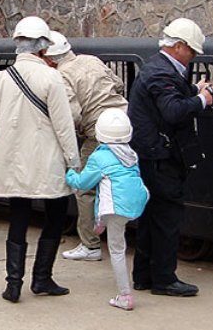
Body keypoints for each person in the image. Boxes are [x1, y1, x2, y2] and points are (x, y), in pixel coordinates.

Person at [0, 16, 80, 303]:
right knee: (55, 216)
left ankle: (13, 285)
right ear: (43, 47)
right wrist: (73, 162)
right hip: (47, 160)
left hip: (14, 161)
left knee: (19, 217)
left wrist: (11, 135)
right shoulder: (52, 77)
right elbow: (63, 125)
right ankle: (42, 278)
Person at [127, 18, 213, 297]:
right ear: (179, 46)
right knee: (167, 219)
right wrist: (203, 99)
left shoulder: (158, 68)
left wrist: (194, 91)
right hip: (161, 158)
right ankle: (164, 278)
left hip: (151, 155)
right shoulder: (162, 73)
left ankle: (144, 275)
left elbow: (167, 101)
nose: (193, 56)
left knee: (150, 218)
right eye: (192, 51)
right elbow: (172, 111)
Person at [45, 31, 129, 262]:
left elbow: (71, 114)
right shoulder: (92, 60)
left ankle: (90, 245)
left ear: (50, 59)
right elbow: (119, 84)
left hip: (98, 134)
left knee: (84, 188)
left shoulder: (60, 76)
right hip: (125, 124)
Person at [66, 108, 149, 310]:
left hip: (115, 208)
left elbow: (83, 183)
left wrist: (69, 174)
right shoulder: (131, 154)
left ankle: (124, 295)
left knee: (117, 250)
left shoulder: (99, 158)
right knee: (113, 220)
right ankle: (100, 222)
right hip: (134, 203)